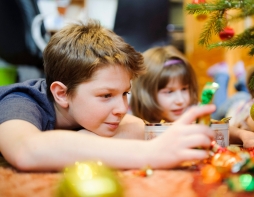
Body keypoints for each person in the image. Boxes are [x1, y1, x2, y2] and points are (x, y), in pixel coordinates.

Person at [0, 20, 223, 172]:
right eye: (106, 95)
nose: (122, 108)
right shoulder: (20, 101)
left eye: (125, 93)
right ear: (61, 93)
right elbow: (26, 151)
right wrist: (148, 154)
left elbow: (136, 127)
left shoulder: (91, 112)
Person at [130, 45, 254, 149]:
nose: (180, 100)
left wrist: (245, 135)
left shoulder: (190, 112)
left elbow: (216, 128)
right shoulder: (135, 124)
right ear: (146, 93)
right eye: (169, 92)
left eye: (184, 89)